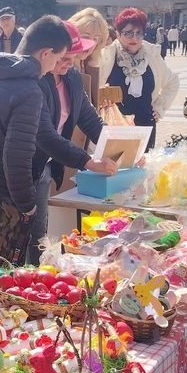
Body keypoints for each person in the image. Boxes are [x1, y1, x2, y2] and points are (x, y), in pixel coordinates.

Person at [0, 15, 71, 311]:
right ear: (45, 53)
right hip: (2, 193)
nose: (56, 66)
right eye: (58, 58)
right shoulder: (28, 90)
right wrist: (27, 205)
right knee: (6, 273)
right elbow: (16, 157)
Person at [27, 21, 117, 264]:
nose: (69, 64)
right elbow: (44, 135)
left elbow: (88, 117)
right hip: (24, 164)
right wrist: (88, 161)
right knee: (27, 234)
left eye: (74, 58)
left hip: (44, 165)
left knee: (38, 232)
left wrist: (118, 147)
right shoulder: (36, 80)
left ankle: (32, 280)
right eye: (65, 58)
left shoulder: (72, 77)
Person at [98, 8, 180, 149]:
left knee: (143, 169)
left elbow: (172, 82)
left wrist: (159, 107)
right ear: (117, 34)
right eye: (128, 33)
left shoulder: (151, 55)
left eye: (139, 33)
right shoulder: (107, 56)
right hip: (114, 128)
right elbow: (93, 90)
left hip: (145, 126)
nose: (134, 38)